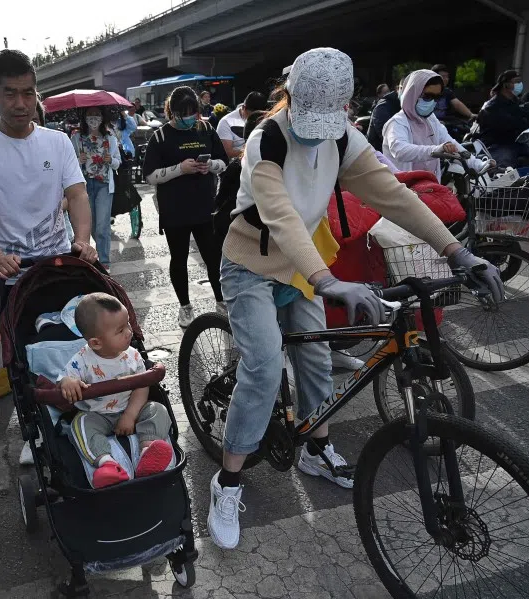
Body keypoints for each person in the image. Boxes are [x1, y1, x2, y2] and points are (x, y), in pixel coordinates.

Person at [206, 48, 505, 551]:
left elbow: (391, 194)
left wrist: (454, 250)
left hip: (305, 264)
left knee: (318, 360)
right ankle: (228, 481)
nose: (319, 129)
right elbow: (278, 215)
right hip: (253, 262)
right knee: (260, 368)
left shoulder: (343, 135)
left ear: (344, 108)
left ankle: (315, 448)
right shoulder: (266, 139)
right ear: (291, 96)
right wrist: (327, 282)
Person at [0, 49, 97, 293]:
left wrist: (82, 241)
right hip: (10, 275)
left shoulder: (59, 141)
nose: (20, 104)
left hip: (60, 265)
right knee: (15, 331)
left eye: (28, 94)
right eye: (10, 94)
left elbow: (77, 195)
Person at [58, 293, 174, 488]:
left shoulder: (133, 356)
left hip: (131, 408)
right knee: (80, 424)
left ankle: (148, 451)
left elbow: (140, 387)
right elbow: (65, 379)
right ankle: (106, 463)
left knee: (157, 409)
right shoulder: (82, 361)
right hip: (97, 415)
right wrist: (68, 382)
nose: (129, 332)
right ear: (96, 342)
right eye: (121, 330)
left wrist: (130, 415)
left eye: (128, 324)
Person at [143, 86, 229, 328]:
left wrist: (209, 165)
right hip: (175, 211)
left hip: (205, 208)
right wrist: (179, 169)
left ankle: (221, 301)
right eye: (184, 113)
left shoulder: (206, 129)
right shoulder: (160, 137)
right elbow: (150, 176)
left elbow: (224, 162)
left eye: (193, 112)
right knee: (178, 259)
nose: (189, 118)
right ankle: (185, 307)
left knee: (213, 258)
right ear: (173, 112)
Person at [382, 69, 487, 181]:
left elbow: (451, 144)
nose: (432, 102)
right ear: (412, 94)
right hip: (403, 191)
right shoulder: (397, 123)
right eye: (428, 96)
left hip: (429, 189)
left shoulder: (431, 120)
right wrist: (436, 150)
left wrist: (478, 164)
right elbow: (400, 150)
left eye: (436, 97)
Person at [70, 106, 121, 268]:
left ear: (102, 117)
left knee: (102, 226)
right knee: (89, 226)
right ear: (84, 117)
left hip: (104, 185)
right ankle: (94, 257)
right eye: (90, 115)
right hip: (83, 187)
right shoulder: (77, 138)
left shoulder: (110, 138)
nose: (93, 118)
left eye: (97, 115)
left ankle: (104, 262)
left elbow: (117, 163)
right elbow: (69, 163)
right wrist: (79, 159)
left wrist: (110, 160)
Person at [476, 70, 529, 168]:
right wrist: (523, 122)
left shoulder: (516, 102)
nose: (520, 84)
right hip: (497, 145)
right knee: (506, 169)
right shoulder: (492, 106)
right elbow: (508, 124)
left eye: (520, 81)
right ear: (505, 85)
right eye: (516, 82)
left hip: (516, 143)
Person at [217, 91, 268, 158]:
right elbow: (228, 153)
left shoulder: (267, 117)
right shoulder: (226, 122)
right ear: (243, 108)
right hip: (237, 163)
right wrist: (253, 150)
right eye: (251, 116)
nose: (255, 119)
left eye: (258, 116)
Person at [366, 77, 405, 151]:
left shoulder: (404, 105)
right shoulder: (383, 107)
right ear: (399, 89)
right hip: (379, 154)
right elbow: (386, 136)